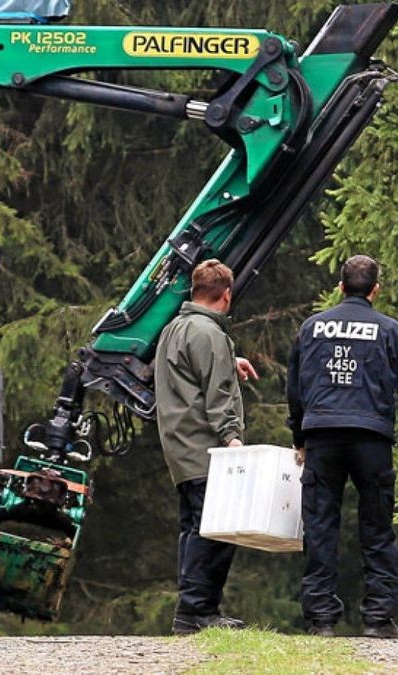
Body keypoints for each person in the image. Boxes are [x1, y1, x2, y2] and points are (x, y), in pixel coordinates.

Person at [286, 254, 398, 639]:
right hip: (371, 439)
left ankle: (321, 621)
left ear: (340, 287)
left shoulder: (312, 328)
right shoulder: (391, 330)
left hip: (323, 437)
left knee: (319, 528)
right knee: (377, 528)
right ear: (375, 290)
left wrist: (299, 436)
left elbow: (296, 386)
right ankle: (378, 619)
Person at [154, 259, 259, 635]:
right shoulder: (210, 334)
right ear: (227, 294)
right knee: (215, 530)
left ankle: (192, 610)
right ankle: (200, 611)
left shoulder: (174, 328)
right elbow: (219, 395)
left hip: (180, 447)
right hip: (206, 448)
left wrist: (230, 360)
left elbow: (189, 370)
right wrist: (232, 438)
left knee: (194, 528)